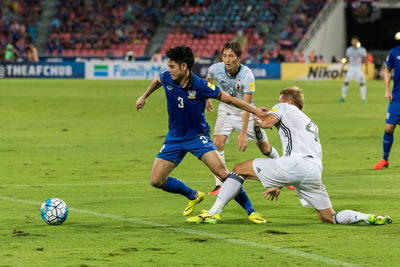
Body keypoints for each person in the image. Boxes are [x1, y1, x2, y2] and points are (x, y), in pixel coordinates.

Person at [188, 86, 392, 225]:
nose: (275, 105)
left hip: (296, 165)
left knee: (238, 169)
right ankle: (367, 217)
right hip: (313, 171)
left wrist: (256, 115)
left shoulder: (285, 107)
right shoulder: (310, 123)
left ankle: (213, 214)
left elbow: (267, 123)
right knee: (329, 216)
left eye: (278, 101)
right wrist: (278, 183)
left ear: (288, 101)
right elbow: (297, 161)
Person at [136, 46, 267, 223]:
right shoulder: (168, 76)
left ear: (184, 66)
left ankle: (251, 211)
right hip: (174, 137)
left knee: (222, 174)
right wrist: (144, 97)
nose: (169, 70)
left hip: (197, 136)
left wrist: (256, 111)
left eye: (172, 66)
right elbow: (157, 80)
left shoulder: (200, 85)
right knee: (156, 180)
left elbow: (232, 100)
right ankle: (193, 195)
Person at [205, 41, 280, 195]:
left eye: (231, 56)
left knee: (265, 149)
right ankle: (220, 185)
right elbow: (208, 80)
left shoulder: (247, 75)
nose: (227, 59)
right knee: (217, 144)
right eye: (224, 55)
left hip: (246, 112)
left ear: (238, 58)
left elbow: (246, 106)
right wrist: (207, 99)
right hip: (225, 110)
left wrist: (243, 133)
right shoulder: (216, 68)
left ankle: (281, 172)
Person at [373, 45, 400, 170]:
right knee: (389, 127)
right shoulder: (394, 52)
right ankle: (385, 159)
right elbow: (387, 70)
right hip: (396, 98)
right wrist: (387, 90)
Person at [339, 36, 368, 103]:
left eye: (354, 41)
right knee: (346, 82)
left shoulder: (362, 50)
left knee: (362, 83)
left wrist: (366, 69)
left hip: (358, 69)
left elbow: (365, 59)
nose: (353, 42)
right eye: (352, 41)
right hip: (351, 68)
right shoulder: (349, 49)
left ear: (357, 41)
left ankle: (363, 98)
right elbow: (347, 58)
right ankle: (343, 97)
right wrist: (343, 66)